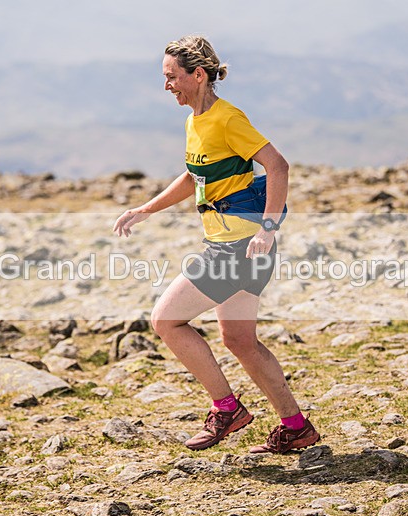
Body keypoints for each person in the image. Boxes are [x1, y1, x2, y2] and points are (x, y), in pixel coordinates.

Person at [113, 35, 319, 454]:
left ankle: (226, 409)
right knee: (239, 340)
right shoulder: (195, 121)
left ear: (198, 75)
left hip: (239, 248)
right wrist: (146, 209)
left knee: (165, 321)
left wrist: (269, 227)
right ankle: (296, 427)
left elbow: (277, 164)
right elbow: (193, 178)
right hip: (233, 244)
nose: (166, 85)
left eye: (172, 77)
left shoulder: (227, 118)